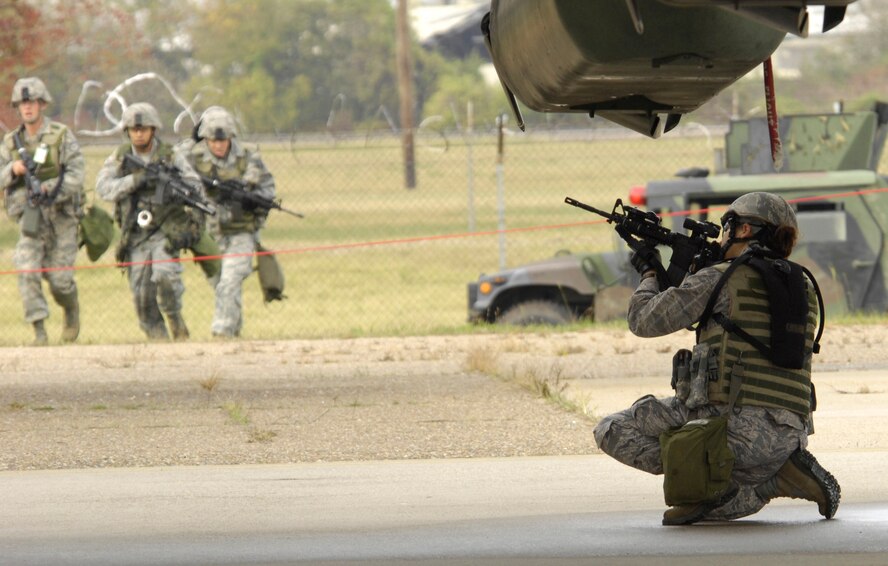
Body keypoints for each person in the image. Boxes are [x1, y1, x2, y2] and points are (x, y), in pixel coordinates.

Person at [593, 192, 841, 525]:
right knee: (724, 505)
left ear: (745, 231)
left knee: (611, 429)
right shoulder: (804, 288)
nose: (722, 235)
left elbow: (644, 320)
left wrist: (650, 273)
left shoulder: (720, 278)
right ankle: (776, 477)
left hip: (731, 427)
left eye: (728, 226)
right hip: (789, 434)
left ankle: (716, 479)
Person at [95, 102, 207, 341]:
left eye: (143, 129)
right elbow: (103, 188)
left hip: (165, 230)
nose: (138, 133)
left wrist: (174, 190)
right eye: (134, 130)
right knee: (141, 294)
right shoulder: (121, 157)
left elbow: (195, 185)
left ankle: (175, 317)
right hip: (135, 234)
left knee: (165, 275)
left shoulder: (170, 156)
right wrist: (134, 181)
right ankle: (158, 340)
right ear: (127, 131)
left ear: (153, 130)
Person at [0, 77, 85, 345]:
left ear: (42, 104)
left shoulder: (60, 135)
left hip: (61, 218)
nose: (27, 108)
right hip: (30, 219)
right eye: (22, 103)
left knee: (60, 279)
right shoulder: (11, 142)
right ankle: (39, 331)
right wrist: (12, 170)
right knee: (27, 271)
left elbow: (77, 174)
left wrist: (50, 189)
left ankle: (70, 309)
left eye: (32, 102)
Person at [184, 106, 276, 338]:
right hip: (209, 233)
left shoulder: (249, 157)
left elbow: (268, 189)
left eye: (222, 139)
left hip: (241, 232)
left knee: (230, 281)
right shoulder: (193, 156)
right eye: (212, 140)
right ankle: (234, 334)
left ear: (231, 137)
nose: (218, 145)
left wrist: (253, 204)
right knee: (222, 286)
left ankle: (222, 332)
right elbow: (173, 162)